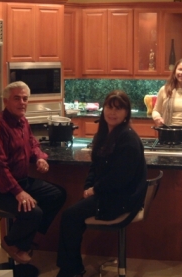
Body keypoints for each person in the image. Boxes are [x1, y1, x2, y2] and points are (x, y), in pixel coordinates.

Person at [56, 90, 147, 277]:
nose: (112, 113)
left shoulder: (127, 138)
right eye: (109, 107)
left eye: (118, 109)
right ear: (103, 109)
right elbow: (95, 167)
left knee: (69, 216)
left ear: (126, 113)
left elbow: (120, 178)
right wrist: (88, 187)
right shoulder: (103, 134)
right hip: (109, 192)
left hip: (123, 198)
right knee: (73, 216)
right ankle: (72, 266)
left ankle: (70, 270)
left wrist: (95, 189)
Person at [0, 81, 66, 264]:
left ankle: (25, 240)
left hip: (20, 180)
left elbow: (32, 144)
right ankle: (11, 243)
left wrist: (39, 157)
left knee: (57, 195)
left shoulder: (22, 121)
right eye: (16, 98)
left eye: (25, 98)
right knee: (33, 212)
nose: (22, 102)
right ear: (6, 101)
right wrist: (19, 192)